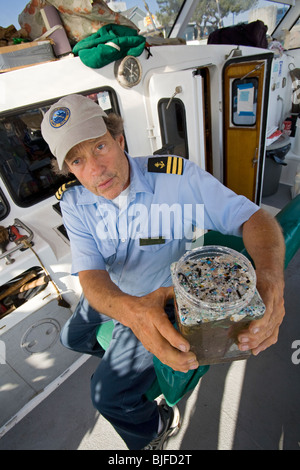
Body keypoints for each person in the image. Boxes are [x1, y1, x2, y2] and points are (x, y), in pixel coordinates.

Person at [41, 94, 285, 450]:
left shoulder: (176, 177)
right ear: (69, 170)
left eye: (99, 147)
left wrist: (271, 279)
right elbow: (92, 277)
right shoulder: (75, 202)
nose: (94, 169)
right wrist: (129, 314)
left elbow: (253, 218)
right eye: (77, 161)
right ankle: (138, 374)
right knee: (72, 339)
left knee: (106, 397)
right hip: (117, 296)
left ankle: (157, 423)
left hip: (161, 299)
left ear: (119, 139)